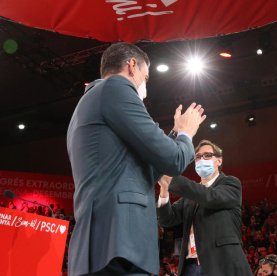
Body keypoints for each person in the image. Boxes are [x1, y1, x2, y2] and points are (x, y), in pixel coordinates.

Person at [67, 42, 206, 276]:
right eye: (146, 76)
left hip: (103, 243)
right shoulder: (117, 88)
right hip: (121, 243)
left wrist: (173, 133)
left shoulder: (90, 101)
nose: (145, 84)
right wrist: (185, 134)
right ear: (132, 66)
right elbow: (173, 160)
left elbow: (143, 169)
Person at [157, 140, 252, 276]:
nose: (202, 159)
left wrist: (173, 180)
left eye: (207, 155)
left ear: (219, 161)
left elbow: (210, 197)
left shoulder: (230, 183)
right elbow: (167, 220)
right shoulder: (190, 196)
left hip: (221, 264)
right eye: (198, 157)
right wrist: (164, 190)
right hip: (190, 266)